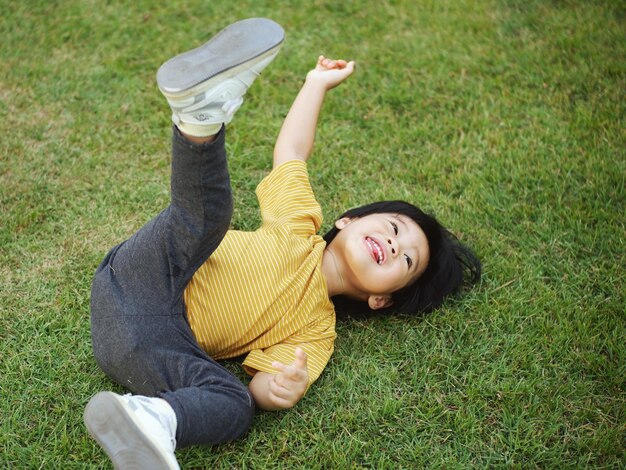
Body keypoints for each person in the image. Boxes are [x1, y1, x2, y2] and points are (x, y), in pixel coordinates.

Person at [84, 17, 480, 470]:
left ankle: (151, 420)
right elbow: (291, 151)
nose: (392, 244)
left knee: (236, 406)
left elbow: (261, 383)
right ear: (347, 220)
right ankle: (199, 119)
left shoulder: (317, 331)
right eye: (391, 227)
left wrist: (276, 390)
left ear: (381, 298)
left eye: (406, 259)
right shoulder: (298, 225)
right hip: (144, 277)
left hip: (152, 352)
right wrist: (316, 83)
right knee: (207, 219)